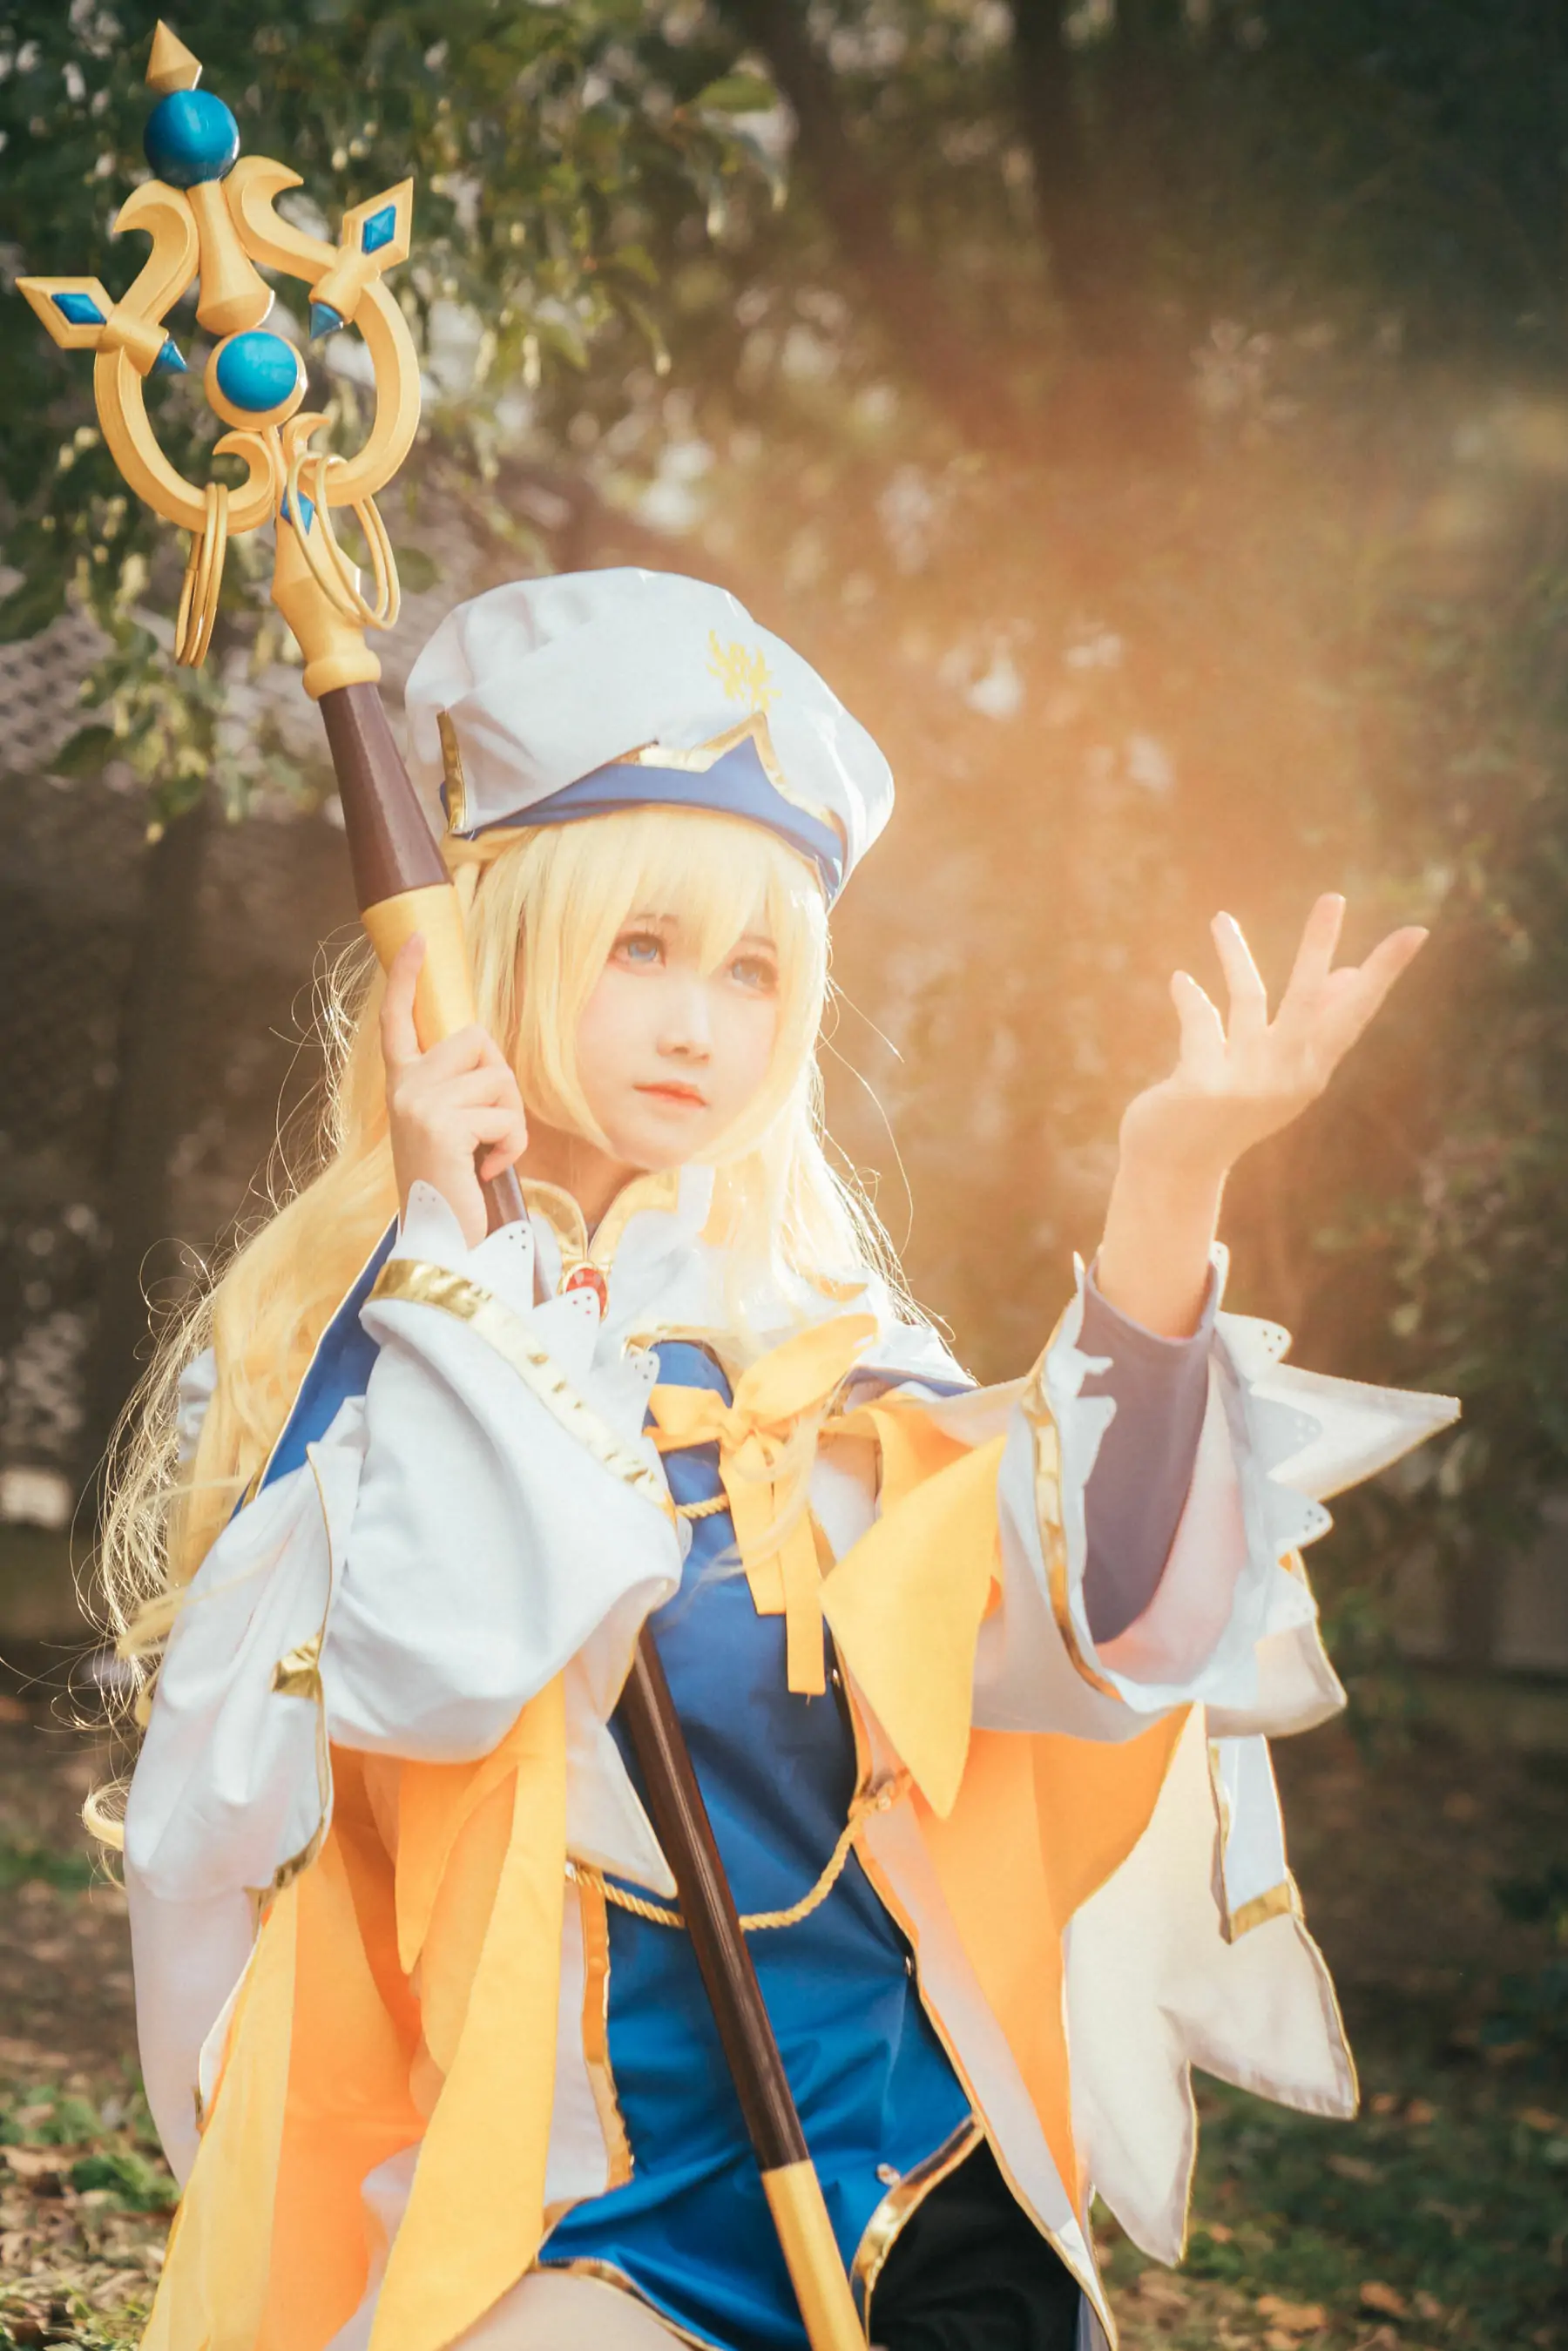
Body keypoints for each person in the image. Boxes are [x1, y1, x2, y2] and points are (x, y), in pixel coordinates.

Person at [105, 570, 1456, 2351]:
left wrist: (1169, 1183)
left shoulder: (825, 1355)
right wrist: (455, 1260)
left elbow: (1108, 1625)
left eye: (751, 970)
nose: (698, 1024)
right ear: (503, 953)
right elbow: (434, 1669)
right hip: (580, 2192)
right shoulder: (361, 1354)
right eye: (641, 947)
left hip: (913, 2175)